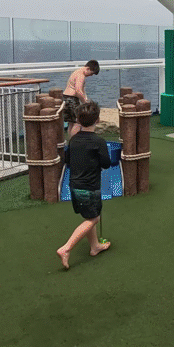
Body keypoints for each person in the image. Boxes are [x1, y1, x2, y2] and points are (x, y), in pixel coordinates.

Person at [56, 101, 113, 270]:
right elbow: (106, 164)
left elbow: (68, 160)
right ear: (98, 120)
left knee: (89, 216)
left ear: (78, 120)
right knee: (94, 218)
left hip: (74, 185)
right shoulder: (98, 141)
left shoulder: (74, 140)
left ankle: (95, 246)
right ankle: (66, 248)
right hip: (90, 187)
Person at [61, 59, 99, 138]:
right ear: (88, 68)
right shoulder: (80, 75)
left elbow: (80, 90)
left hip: (66, 98)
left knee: (71, 123)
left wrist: (85, 99)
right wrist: (85, 102)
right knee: (77, 122)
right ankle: (75, 141)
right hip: (71, 99)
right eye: (91, 73)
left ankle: (71, 141)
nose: (90, 76)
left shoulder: (77, 72)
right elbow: (78, 91)